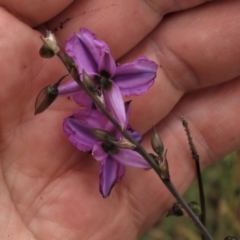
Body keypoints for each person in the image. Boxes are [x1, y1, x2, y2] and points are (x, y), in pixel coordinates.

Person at [0, 0, 239, 239]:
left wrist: (119, 129)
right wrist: (65, 92)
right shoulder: (105, 110)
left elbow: (126, 117)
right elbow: (113, 122)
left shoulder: (112, 108)